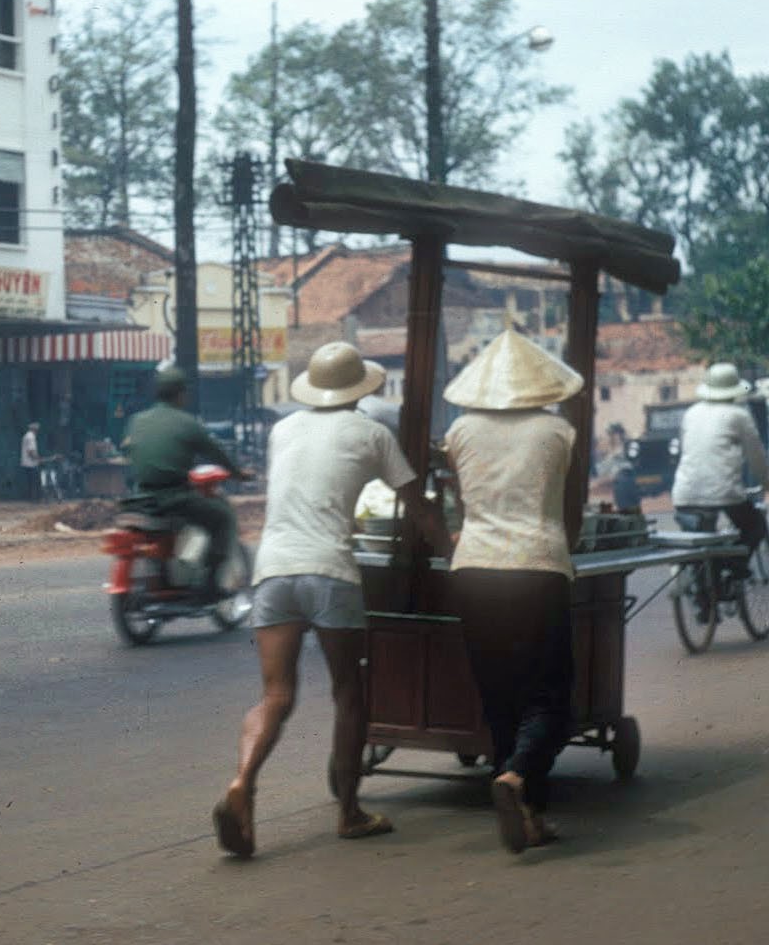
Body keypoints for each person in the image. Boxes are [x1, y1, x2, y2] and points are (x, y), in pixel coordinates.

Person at [212, 342, 448, 857]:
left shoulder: (283, 430)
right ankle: (349, 813)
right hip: (330, 573)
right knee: (349, 692)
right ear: (359, 389)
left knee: (276, 695)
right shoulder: (371, 433)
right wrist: (453, 551)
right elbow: (420, 510)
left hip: (273, 570)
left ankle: (242, 783)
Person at [443, 330, 583, 855]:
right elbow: (569, 512)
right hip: (538, 566)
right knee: (550, 696)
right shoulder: (558, 432)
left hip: (474, 570)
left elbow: (463, 503)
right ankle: (519, 776)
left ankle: (528, 811)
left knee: (499, 695)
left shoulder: (458, 431)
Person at [122, 369, 247, 596]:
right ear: (181, 394)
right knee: (223, 516)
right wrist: (238, 473)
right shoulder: (187, 423)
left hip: (140, 499)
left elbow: (129, 449)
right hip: (175, 497)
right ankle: (211, 583)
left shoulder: (136, 421)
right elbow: (215, 452)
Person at [671, 362, 769, 579]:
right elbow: (756, 457)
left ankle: (705, 589)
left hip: (684, 494)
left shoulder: (691, 413)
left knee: (702, 539)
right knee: (756, 525)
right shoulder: (738, 415)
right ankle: (733, 568)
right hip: (723, 494)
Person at [20, 422, 43, 501]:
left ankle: (31, 498)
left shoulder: (27, 436)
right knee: (35, 482)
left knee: (30, 482)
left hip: (26, 463)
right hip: (31, 463)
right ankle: (35, 499)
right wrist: (38, 459)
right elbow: (31, 451)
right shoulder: (31, 437)